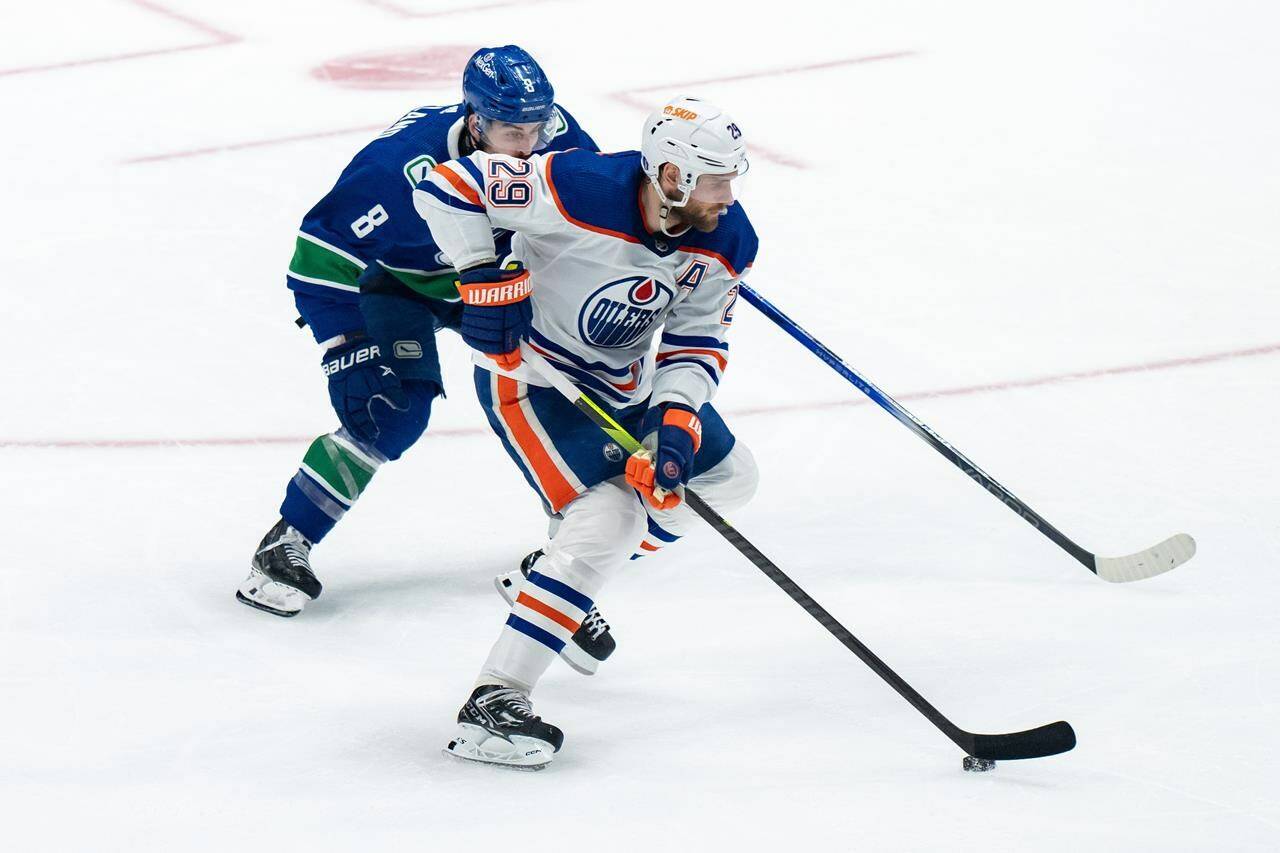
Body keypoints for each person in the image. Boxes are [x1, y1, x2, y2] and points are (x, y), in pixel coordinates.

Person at [236, 45, 616, 675]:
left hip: (497, 289)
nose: (528, 145)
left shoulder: (564, 138)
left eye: (536, 127)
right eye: (511, 131)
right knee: (390, 413)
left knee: (570, 405)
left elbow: (600, 223)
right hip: (401, 287)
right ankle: (287, 541)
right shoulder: (394, 169)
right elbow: (318, 257)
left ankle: (556, 574)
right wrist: (348, 350)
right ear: (474, 119)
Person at [416, 96, 760, 768]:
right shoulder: (574, 186)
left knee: (727, 477)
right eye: (717, 179)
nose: (729, 194)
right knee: (608, 520)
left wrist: (675, 430)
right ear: (671, 177)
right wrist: (480, 275)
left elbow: (694, 340)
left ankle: (552, 582)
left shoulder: (727, 236)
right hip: (536, 380)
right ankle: (495, 698)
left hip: (625, 383)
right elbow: (448, 184)